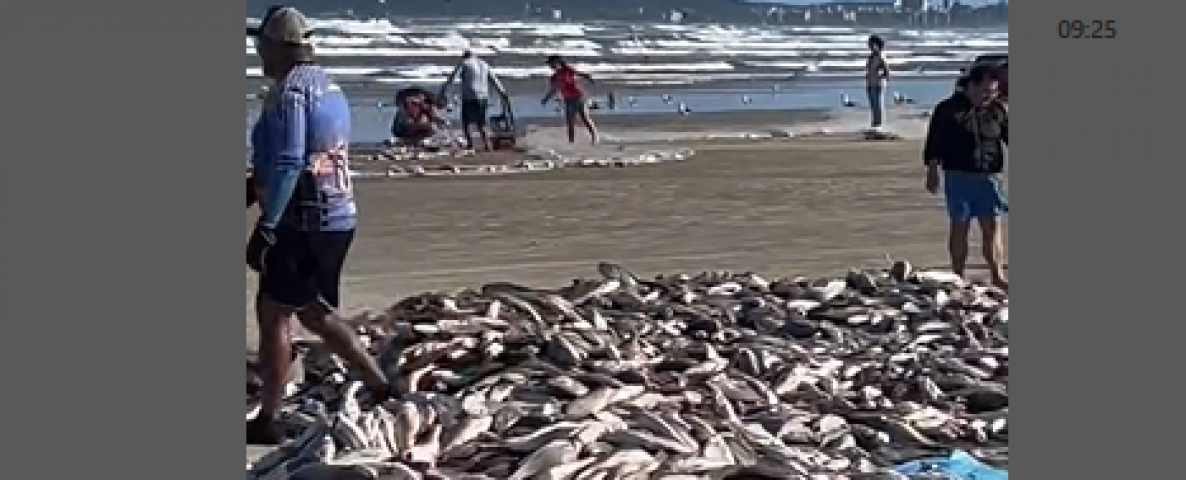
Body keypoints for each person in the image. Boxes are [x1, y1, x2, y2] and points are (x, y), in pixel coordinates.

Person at [246, 5, 392, 445]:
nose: (258, 52)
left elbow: (292, 159)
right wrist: (255, 187)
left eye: (262, 44)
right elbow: (316, 153)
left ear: (282, 47)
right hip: (337, 216)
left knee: (273, 312)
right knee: (312, 310)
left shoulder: (291, 92)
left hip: (304, 221)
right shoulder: (330, 87)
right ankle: (379, 384)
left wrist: (270, 222)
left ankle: (269, 416)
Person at [923, 65, 1009, 291]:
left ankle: (997, 275)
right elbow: (935, 142)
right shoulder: (948, 110)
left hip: (989, 177)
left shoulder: (997, 110)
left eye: (993, 92)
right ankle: (958, 274)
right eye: (985, 92)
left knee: (992, 227)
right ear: (971, 86)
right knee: (960, 227)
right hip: (958, 176)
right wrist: (933, 171)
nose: (989, 97)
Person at [438, 51, 510, 151]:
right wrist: (502, 92)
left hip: (469, 96)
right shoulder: (484, 64)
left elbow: (453, 78)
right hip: (483, 96)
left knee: (466, 122)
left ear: (465, 56)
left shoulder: (464, 63)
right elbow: (494, 80)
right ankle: (487, 145)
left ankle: (470, 144)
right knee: (481, 123)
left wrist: (444, 91)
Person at [542, 55, 599, 144]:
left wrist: (589, 78)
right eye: (549, 64)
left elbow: (581, 74)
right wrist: (546, 98)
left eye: (551, 63)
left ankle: (594, 138)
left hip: (579, 97)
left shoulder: (567, 70)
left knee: (585, 118)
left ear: (558, 62)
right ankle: (571, 142)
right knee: (570, 122)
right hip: (568, 100)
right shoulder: (553, 77)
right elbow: (554, 89)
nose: (550, 66)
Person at [865, 35, 891, 129]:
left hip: (878, 84)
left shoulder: (880, 55)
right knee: (873, 105)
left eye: (871, 44)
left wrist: (883, 76)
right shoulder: (871, 56)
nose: (870, 46)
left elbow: (886, 69)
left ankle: (878, 124)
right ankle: (875, 123)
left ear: (877, 45)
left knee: (878, 104)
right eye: (869, 44)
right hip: (870, 83)